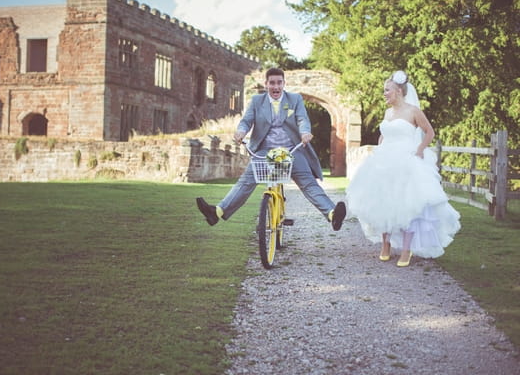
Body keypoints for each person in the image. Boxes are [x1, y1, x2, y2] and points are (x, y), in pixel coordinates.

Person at [196, 67, 346, 231]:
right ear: (266, 84)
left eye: (279, 83)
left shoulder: (295, 99)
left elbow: (303, 119)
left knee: (308, 183)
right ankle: (216, 212)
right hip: (264, 151)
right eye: (272, 83)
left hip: (292, 151)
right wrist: (241, 131)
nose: (276, 87)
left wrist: (305, 133)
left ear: (284, 83)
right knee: (246, 180)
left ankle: (333, 214)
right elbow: (246, 121)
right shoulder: (257, 101)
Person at [346, 70, 460, 267]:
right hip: (384, 160)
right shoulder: (388, 112)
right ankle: (385, 244)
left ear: (398, 91)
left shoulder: (413, 111)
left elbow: (429, 132)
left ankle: (406, 249)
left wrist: (420, 150)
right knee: (383, 201)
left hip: (406, 159)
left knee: (408, 203)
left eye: (387, 90)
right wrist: (380, 146)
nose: (384, 93)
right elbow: (385, 134)